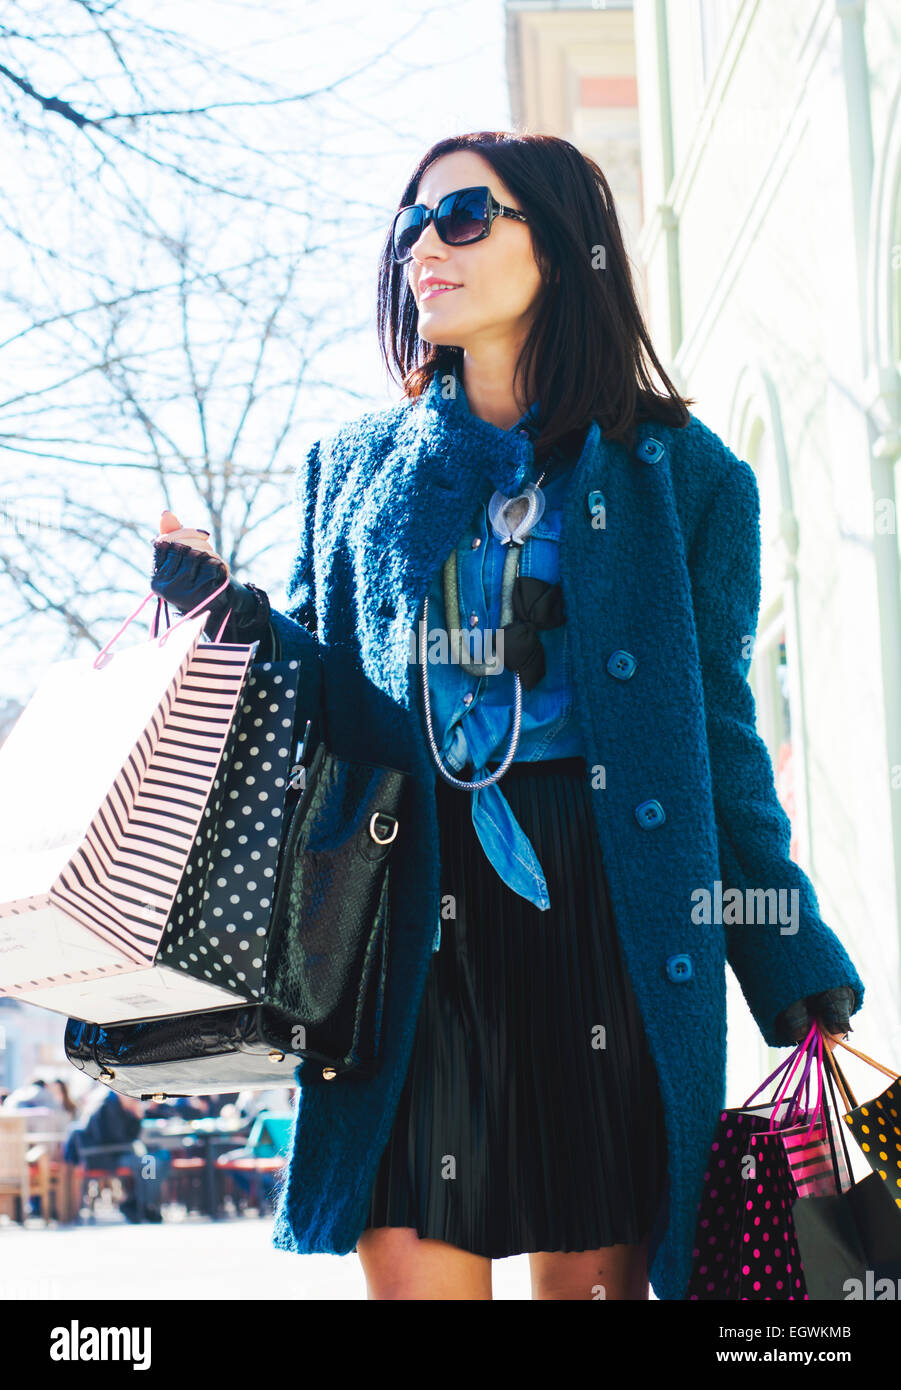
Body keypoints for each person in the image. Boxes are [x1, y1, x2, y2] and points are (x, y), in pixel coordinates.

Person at [149, 131, 865, 1301]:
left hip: (607, 916)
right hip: (405, 925)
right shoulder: (357, 467)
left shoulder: (685, 477)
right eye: (411, 225)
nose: (424, 245)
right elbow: (325, 709)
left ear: (565, 241)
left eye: (466, 216)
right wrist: (230, 614)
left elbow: (718, 744)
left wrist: (785, 948)